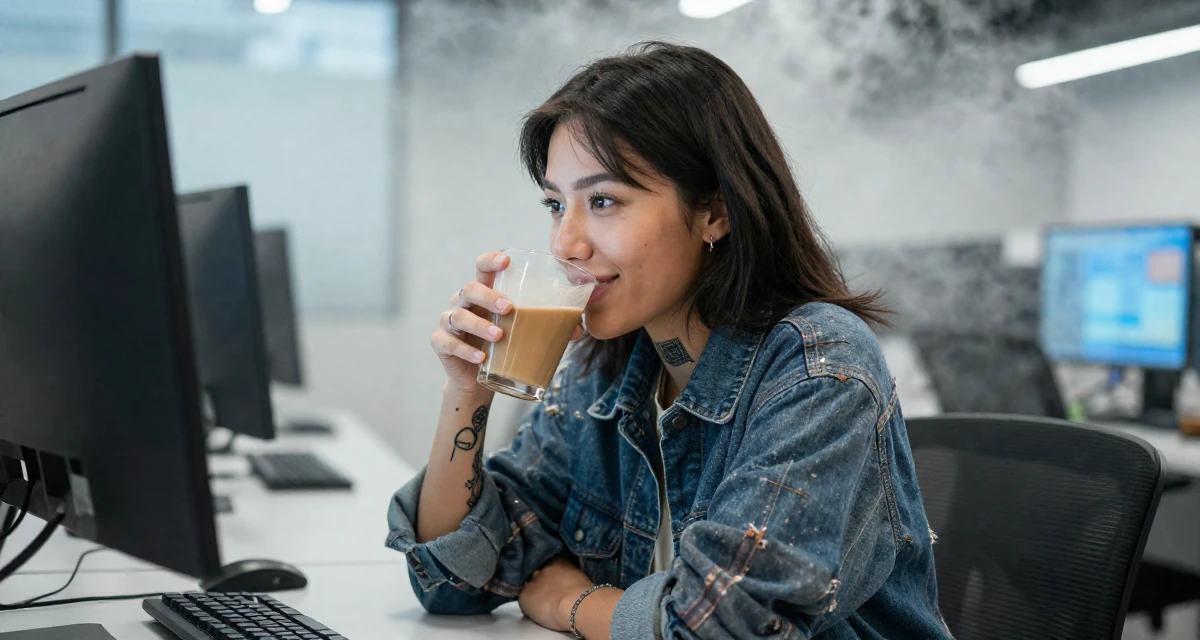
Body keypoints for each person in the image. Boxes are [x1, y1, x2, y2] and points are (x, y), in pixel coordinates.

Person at [386, 41, 953, 640]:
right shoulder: (607, 366)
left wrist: (569, 603)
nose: (565, 244)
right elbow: (454, 581)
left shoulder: (819, 368)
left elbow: (724, 626)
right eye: (557, 204)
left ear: (714, 212)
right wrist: (468, 391)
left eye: (603, 201)